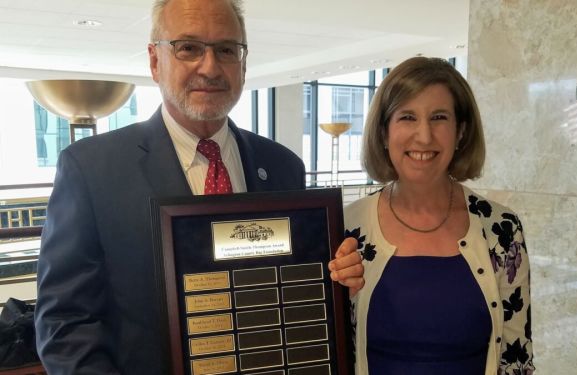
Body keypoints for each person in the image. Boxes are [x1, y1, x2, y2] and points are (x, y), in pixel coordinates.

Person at [34, 0, 363, 373]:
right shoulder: (92, 169)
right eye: (188, 48)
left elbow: (289, 294)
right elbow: (64, 323)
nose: (209, 67)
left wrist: (333, 282)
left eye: (226, 50)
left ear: (243, 62)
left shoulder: (284, 166)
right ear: (155, 61)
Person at [344, 57, 534, 375]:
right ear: (384, 131)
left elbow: (516, 358)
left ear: (461, 131)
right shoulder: (347, 228)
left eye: (439, 117)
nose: (424, 136)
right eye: (407, 117)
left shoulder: (500, 228)